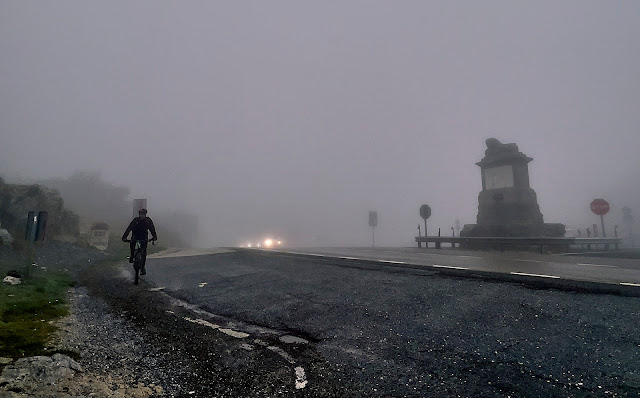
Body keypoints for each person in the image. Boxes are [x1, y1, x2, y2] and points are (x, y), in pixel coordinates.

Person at [121, 208, 157, 275]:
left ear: (145, 214)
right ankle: (132, 256)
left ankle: (143, 268)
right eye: (141, 214)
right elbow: (129, 228)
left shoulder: (148, 221)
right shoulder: (135, 220)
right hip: (135, 236)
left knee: (143, 253)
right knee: (132, 244)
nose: (142, 216)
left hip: (144, 237)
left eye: (143, 214)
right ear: (139, 214)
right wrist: (124, 237)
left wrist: (154, 237)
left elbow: (152, 229)